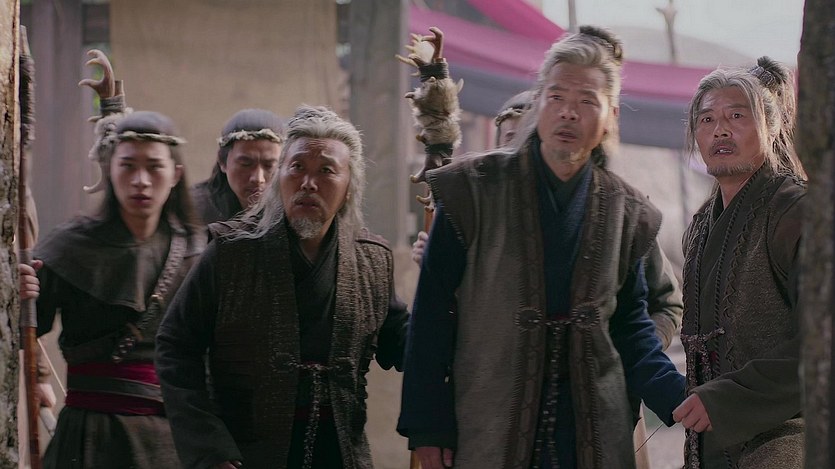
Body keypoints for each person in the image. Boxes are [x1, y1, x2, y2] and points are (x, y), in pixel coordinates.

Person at [397, 26, 686, 469]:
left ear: (609, 116)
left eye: (587, 101)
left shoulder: (628, 212)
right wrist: (427, 428)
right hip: (492, 418)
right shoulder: (470, 190)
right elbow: (432, 317)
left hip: (592, 428)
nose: (568, 112)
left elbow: (630, 325)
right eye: (557, 97)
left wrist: (677, 397)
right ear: (537, 103)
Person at [155, 105, 410, 469]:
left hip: (340, 451)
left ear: (349, 186)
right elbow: (176, 346)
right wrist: (209, 447)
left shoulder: (372, 261)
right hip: (247, 452)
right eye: (297, 167)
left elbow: (405, 343)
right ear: (280, 178)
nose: (308, 183)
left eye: (326, 171)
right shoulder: (231, 252)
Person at [18, 107, 204, 468]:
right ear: (109, 170)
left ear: (176, 174)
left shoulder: (199, 253)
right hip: (90, 435)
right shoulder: (70, 247)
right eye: (128, 166)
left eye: (154, 167)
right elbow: (23, 332)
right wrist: (19, 296)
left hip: (172, 439)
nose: (140, 181)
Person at [672, 57, 806, 468]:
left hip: (790, 440)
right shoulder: (700, 226)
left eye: (736, 116)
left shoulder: (797, 212)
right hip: (714, 446)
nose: (720, 130)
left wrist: (728, 398)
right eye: (707, 119)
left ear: (771, 126)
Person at [191, 109, 285, 224]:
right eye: (246, 164)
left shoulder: (293, 208)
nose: (258, 179)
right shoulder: (193, 210)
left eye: (269, 166)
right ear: (222, 162)